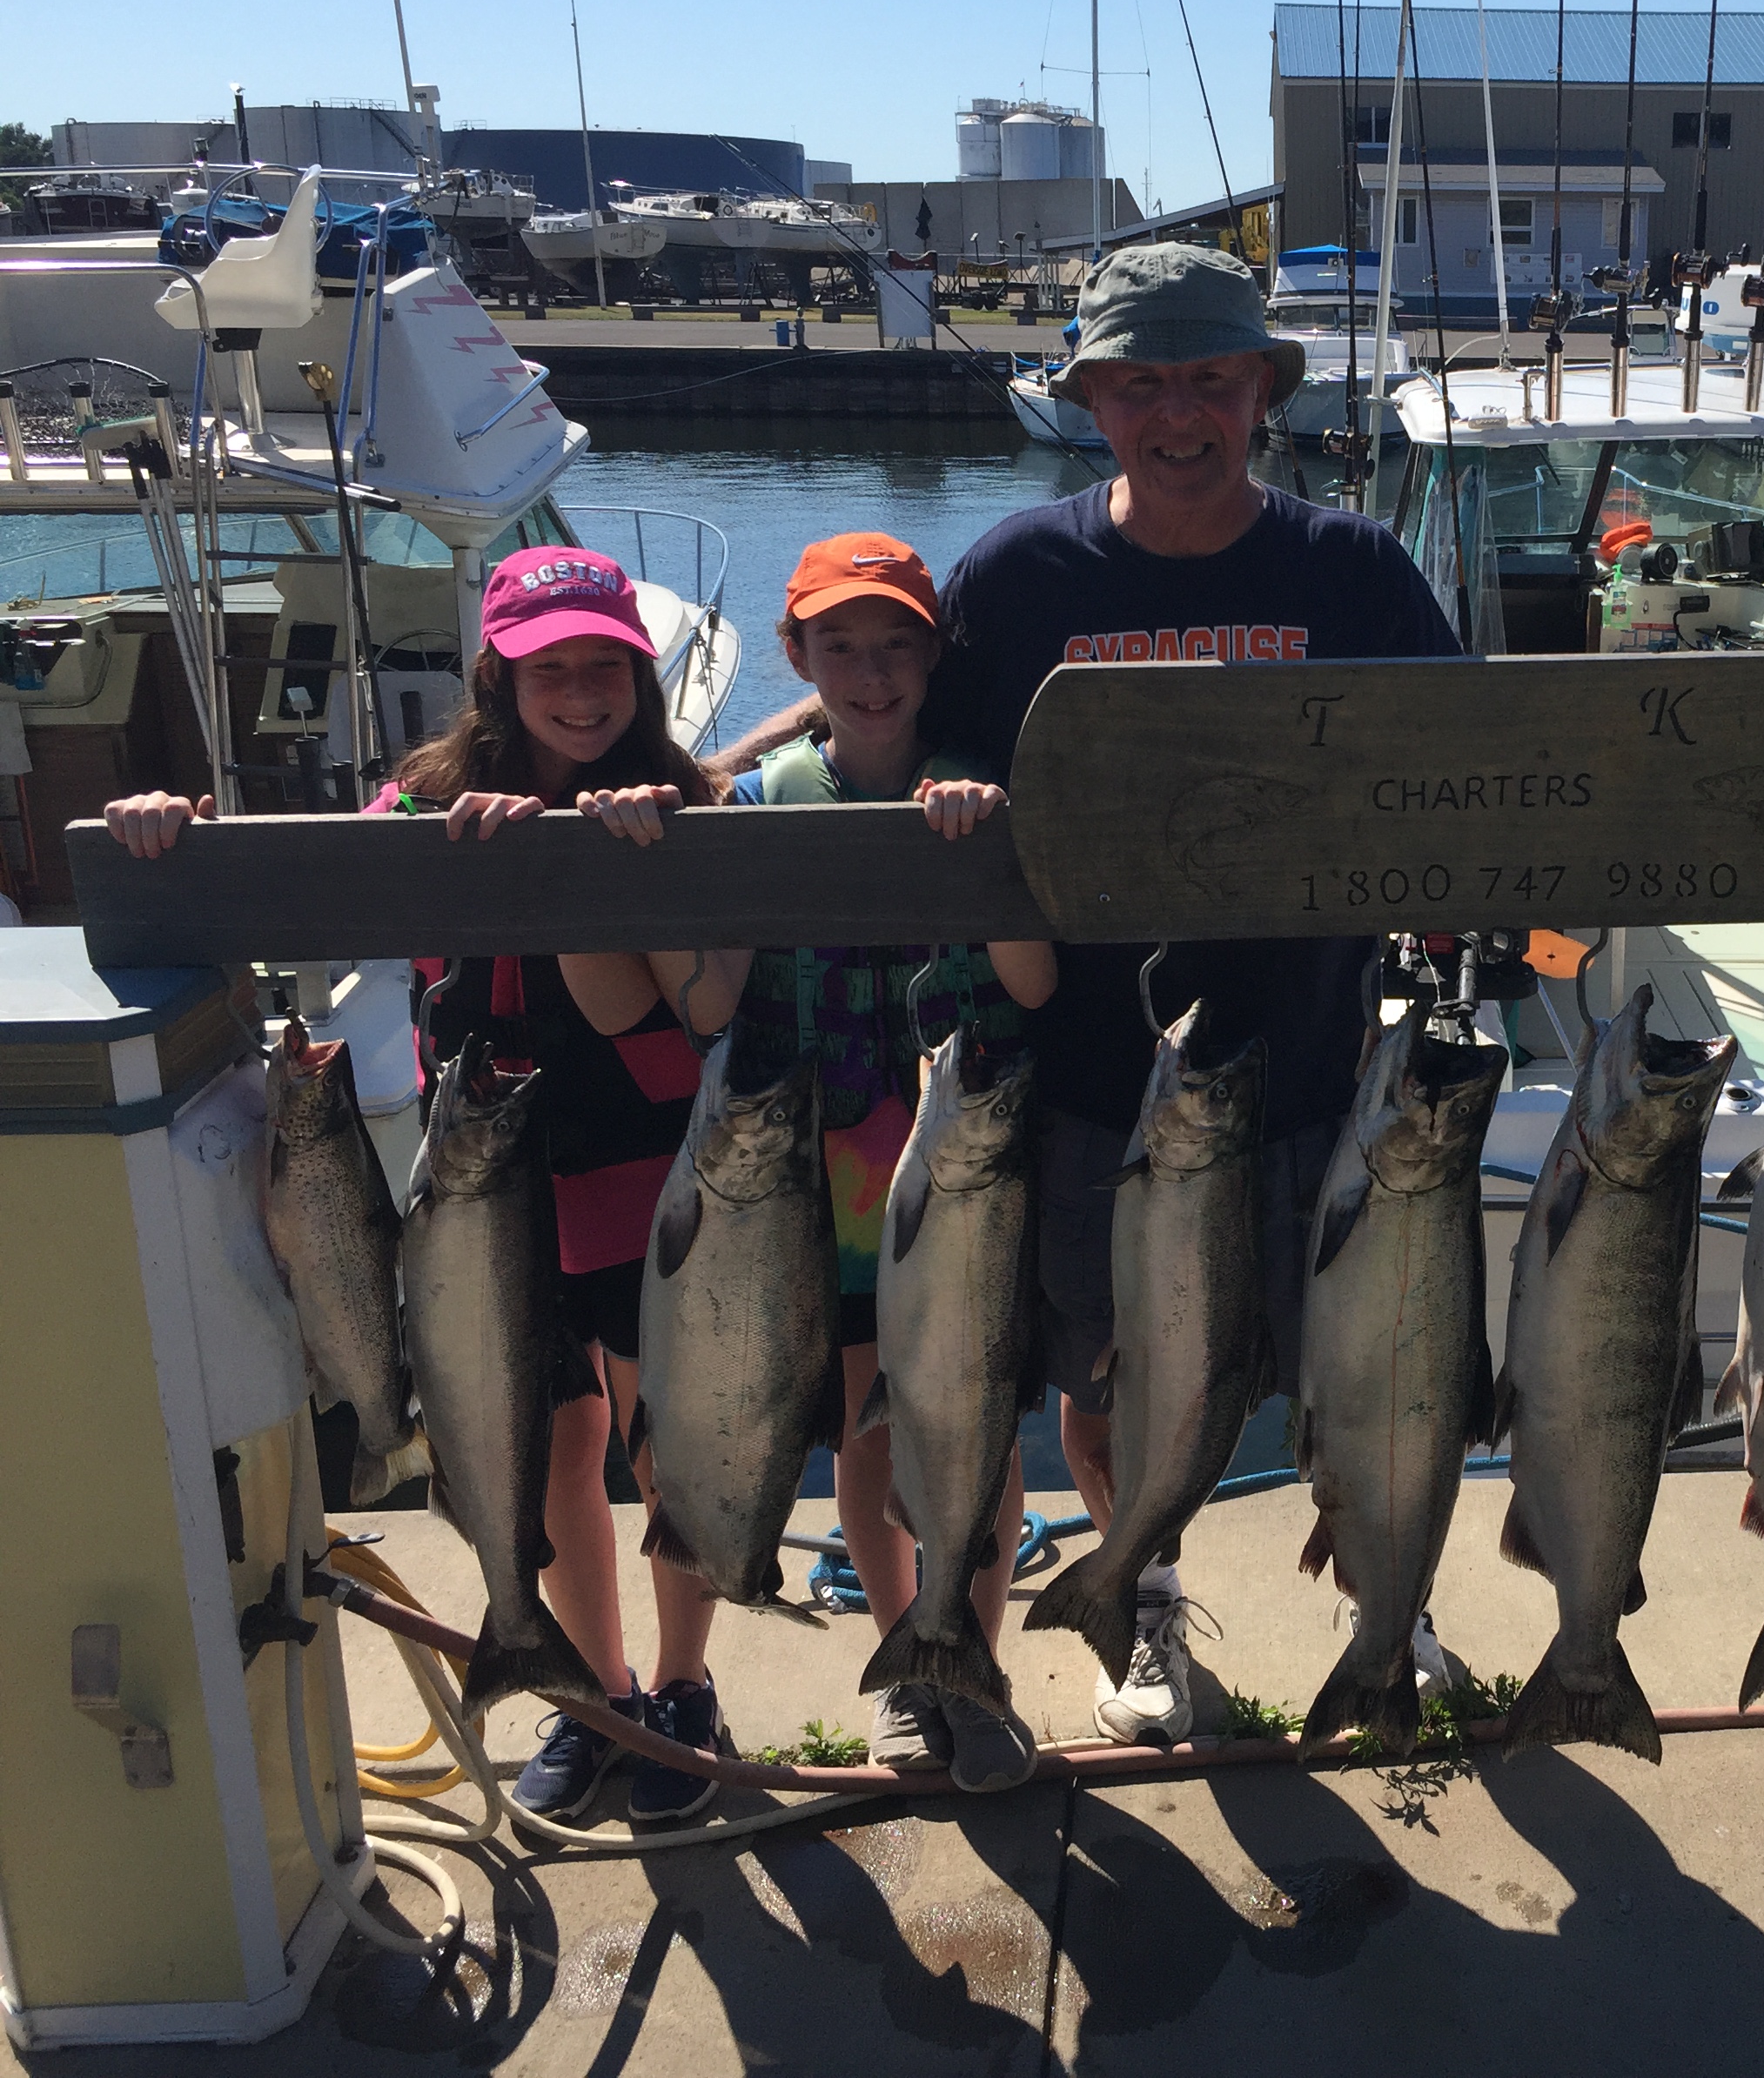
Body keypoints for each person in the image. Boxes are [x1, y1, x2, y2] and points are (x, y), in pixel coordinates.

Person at [718, 242, 1460, 1746]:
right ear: (1093, 399)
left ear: (1261, 390)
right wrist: (710, 782)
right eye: (1139, 385)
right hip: (1078, 1076)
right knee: (1105, 1364)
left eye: (1207, 380)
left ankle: (1389, 1589)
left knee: (1359, 1356)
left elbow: (1465, 757)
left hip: (1312, 1058)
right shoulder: (1023, 568)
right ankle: (1142, 1597)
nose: (1177, 414)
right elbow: (885, 707)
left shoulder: (1354, 568)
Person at [107, 546, 746, 1823]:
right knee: (548, 1447)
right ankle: (595, 1695)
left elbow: (718, 992)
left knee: (669, 1444)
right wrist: (176, 839)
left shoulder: (686, 801)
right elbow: (287, 883)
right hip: (481, 1181)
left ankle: (684, 1688)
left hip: (644, 1164)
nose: (580, 691)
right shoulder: (418, 808)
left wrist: (621, 854)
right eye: (548, 667)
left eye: (603, 665)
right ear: (496, 679)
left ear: (640, 673)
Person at [712, 533, 1056, 1786]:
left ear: (932, 658)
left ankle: (975, 1653)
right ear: (797, 656)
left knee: (978, 1425)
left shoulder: (984, 792)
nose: (871, 672)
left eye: (897, 644)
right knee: (868, 1427)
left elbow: (1033, 981)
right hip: (831, 1182)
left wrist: (982, 863)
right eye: (841, 647)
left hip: (967, 1172)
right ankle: (909, 1657)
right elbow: (709, 1003)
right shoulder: (755, 803)